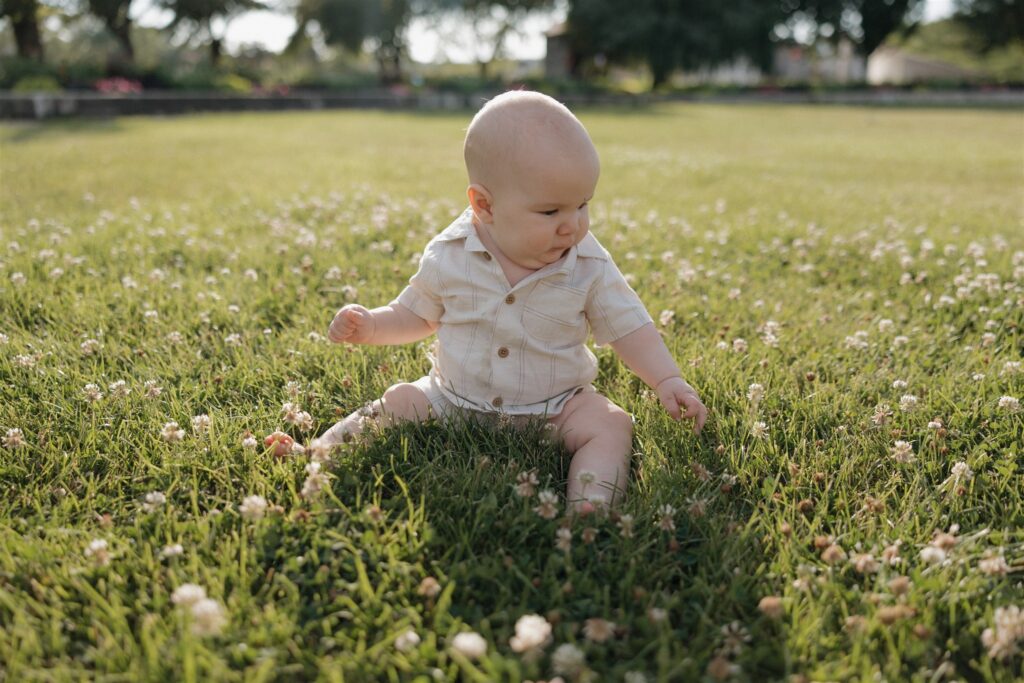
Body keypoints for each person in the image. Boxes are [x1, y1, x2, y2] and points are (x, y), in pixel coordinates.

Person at [268, 90, 707, 513]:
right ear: (484, 205)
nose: (571, 226)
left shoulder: (588, 262)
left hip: (554, 407)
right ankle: (318, 452)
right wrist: (372, 325)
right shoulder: (450, 253)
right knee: (400, 400)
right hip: (453, 400)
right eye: (551, 212)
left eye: (583, 205)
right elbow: (414, 314)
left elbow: (630, 326)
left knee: (611, 424)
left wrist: (667, 379)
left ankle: (590, 506)